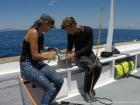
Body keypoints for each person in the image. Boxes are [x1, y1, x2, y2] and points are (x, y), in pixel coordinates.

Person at [20, 13, 64, 105]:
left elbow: (41, 49)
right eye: (51, 27)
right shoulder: (33, 32)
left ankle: (46, 103)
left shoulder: (41, 35)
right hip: (27, 65)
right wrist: (49, 55)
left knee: (59, 80)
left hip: (37, 64)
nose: (51, 29)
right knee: (50, 88)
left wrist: (49, 50)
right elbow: (35, 55)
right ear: (46, 23)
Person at [61, 17, 102, 103]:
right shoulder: (70, 34)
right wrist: (68, 54)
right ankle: (85, 91)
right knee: (91, 67)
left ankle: (90, 89)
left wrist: (75, 54)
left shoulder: (88, 30)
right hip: (79, 57)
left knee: (99, 66)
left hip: (89, 53)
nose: (67, 32)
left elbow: (89, 46)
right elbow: (69, 47)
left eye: (68, 30)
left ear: (73, 26)